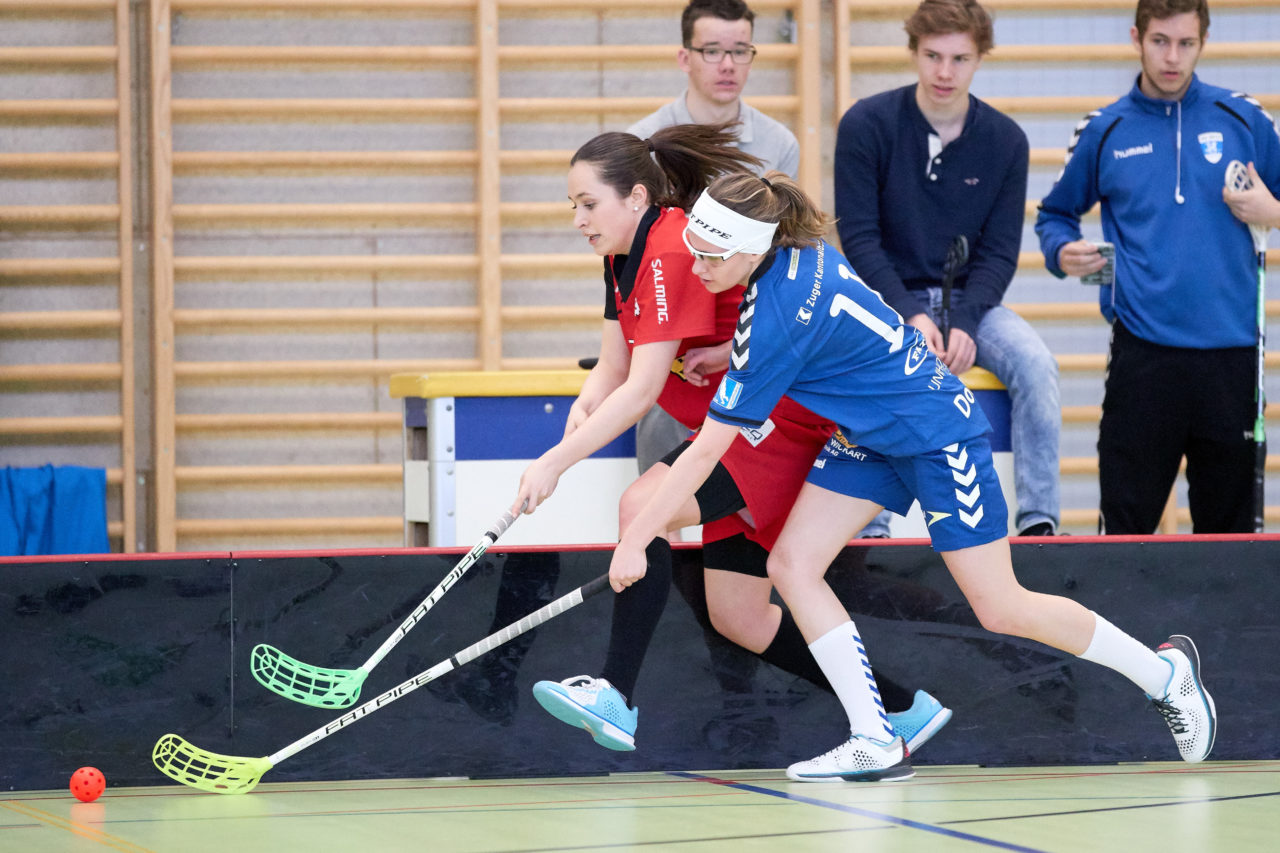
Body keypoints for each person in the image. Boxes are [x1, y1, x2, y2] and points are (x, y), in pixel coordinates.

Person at [610, 170, 1217, 782]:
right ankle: (873, 736)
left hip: (936, 438)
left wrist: (637, 537)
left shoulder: (775, 314)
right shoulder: (795, 253)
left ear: (748, 249)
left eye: (710, 255)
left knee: (1002, 607)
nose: (697, 265)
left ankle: (1164, 675)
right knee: (791, 566)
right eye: (693, 249)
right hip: (870, 437)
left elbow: (705, 451)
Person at [512, 124, 950, 756]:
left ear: (636, 198)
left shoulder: (664, 253)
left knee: (644, 507)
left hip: (777, 426)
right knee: (738, 616)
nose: (578, 219)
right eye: (572, 207)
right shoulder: (619, 256)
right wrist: (584, 407)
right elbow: (614, 370)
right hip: (738, 431)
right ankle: (903, 709)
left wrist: (554, 464)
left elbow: (641, 390)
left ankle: (614, 695)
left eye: (588, 204)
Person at [1036, 0, 1280, 534]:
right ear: (1136, 38)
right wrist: (1062, 252)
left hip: (1233, 360)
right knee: (1124, 538)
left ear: (1204, 42)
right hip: (1142, 362)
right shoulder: (1105, 129)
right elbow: (1054, 215)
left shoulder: (1246, 120)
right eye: (1160, 42)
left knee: (1230, 544)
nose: (1172, 57)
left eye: (1186, 43)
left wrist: (1273, 212)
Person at [835, 0, 1060, 539]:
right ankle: (871, 530)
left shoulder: (1006, 141)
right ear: (913, 52)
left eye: (959, 58)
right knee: (879, 375)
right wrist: (909, 313)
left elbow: (1000, 253)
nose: (944, 72)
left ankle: (1038, 524)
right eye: (932, 55)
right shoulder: (867, 124)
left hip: (972, 306)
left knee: (1037, 366)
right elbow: (860, 239)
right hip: (886, 301)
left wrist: (964, 319)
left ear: (980, 59)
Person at [630, 0, 801, 478]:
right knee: (660, 472)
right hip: (673, 327)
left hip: (747, 325)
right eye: (712, 51)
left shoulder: (779, 143)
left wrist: (737, 344)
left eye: (740, 50)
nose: (728, 65)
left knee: (750, 478)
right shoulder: (644, 140)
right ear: (685, 57)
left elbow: (779, 252)